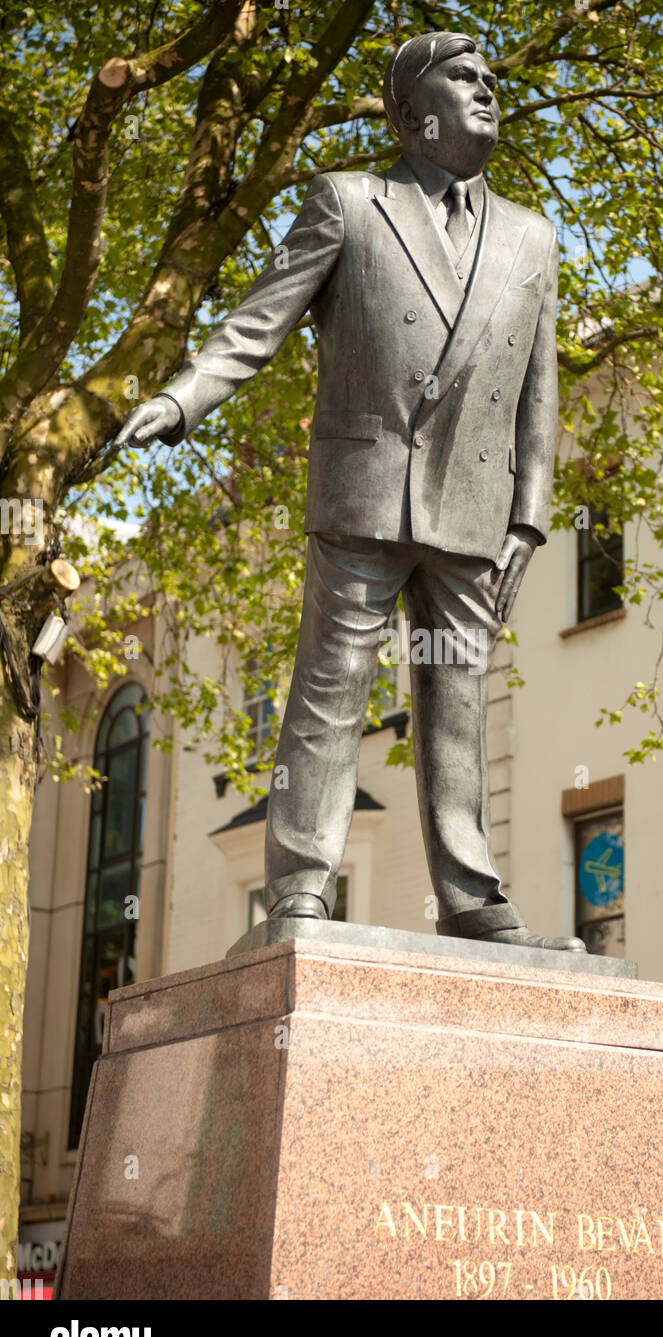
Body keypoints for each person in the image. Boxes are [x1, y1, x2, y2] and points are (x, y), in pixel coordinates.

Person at [118, 31, 585, 952]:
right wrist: (182, 397)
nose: (486, 90)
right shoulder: (351, 202)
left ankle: (469, 893)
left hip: (476, 511)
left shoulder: (534, 236)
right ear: (413, 113)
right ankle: (299, 889)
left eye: (490, 77)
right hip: (366, 489)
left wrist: (528, 520)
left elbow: (541, 394)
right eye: (463, 78)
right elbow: (259, 323)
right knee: (330, 695)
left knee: (458, 695)